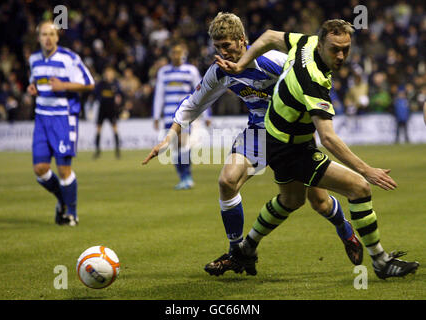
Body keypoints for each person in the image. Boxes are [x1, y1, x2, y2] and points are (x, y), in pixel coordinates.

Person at [143, 13, 363, 276]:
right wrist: (168, 138)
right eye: (217, 47)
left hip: (291, 134)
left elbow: (310, 80)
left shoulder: (273, 60)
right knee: (226, 181)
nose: (223, 52)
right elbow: (193, 104)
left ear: (242, 40)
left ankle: (345, 230)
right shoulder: (220, 71)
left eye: (227, 45)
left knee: (318, 200)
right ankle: (238, 252)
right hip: (258, 132)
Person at [215, 20, 419, 279]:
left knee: (291, 200)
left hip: (277, 136)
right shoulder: (313, 81)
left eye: (346, 49)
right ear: (322, 43)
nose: (341, 55)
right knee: (359, 187)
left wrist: (242, 64)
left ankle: (246, 248)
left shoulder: (306, 42)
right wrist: (367, 170)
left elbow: (267, 36)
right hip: (291, 147)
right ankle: (380, 261)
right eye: (335, 49)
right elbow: (329, 138)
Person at [27, 20, 94, 226]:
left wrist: (64, 85)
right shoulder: (34, 60)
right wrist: (33, 89)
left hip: (63, 119)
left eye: (52, 34)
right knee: (40, 169)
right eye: (44, 34)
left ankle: (71, 212)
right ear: (38, 37)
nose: (48, 38)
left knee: (64, 170)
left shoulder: (69, 58)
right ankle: (62, 200)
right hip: (41, 117)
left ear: (58, 37)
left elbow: (89, 84)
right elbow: (36, 81)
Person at [152, 41, 209, 190]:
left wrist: (207, 114)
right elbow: (159, 95)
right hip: (168, 116)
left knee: (182, 144)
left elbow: (202, 92)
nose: (176, 55)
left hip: (184, 115)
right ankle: (184, 177)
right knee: (175, 148)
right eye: (174, 52)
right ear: (170, 54)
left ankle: (186, 176)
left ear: (184, 54)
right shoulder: (163, 72)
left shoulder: (191, 71)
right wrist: (156, 116)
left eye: (179, 52)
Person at [93, 66, 123, 159]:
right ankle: (97, 151)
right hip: (102, 109)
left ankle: (117, 151)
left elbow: (120, 94)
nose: (109, 75)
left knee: (115, 129)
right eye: (107, 73)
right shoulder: (101, 84)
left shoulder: (116, 84)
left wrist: (119, 99)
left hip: (111, 110)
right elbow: (95, 94)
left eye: (110, 73)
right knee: (98, 129)